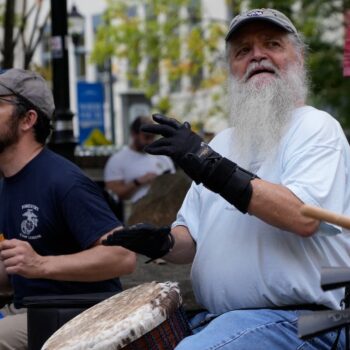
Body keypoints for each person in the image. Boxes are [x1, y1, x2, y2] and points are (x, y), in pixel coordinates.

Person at [103, 8, 350, 349]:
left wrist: (211, 166)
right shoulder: (222, 142)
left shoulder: (315, 127)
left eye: (272, 44)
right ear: (231, 69)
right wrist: (162, 243)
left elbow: (304, 216)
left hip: (303, 322)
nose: (257, 56)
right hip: (218, 321)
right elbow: (191, 240)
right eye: (242, 51)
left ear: (300, 58)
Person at [0, 68, 136, 349]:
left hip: (79, 318)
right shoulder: (6, 185)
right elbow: (13, 273)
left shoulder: (64, 181)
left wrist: (39, 265)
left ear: (28, 119)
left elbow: (123, 256)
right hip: (30, 311)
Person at [104, 115, 175, 205]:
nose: (150, 141)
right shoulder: (118, 160)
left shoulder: (163, 158)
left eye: (152, 137)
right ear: (134, 134)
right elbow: (112, 194)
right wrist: (138, 182)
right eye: (146, 137)